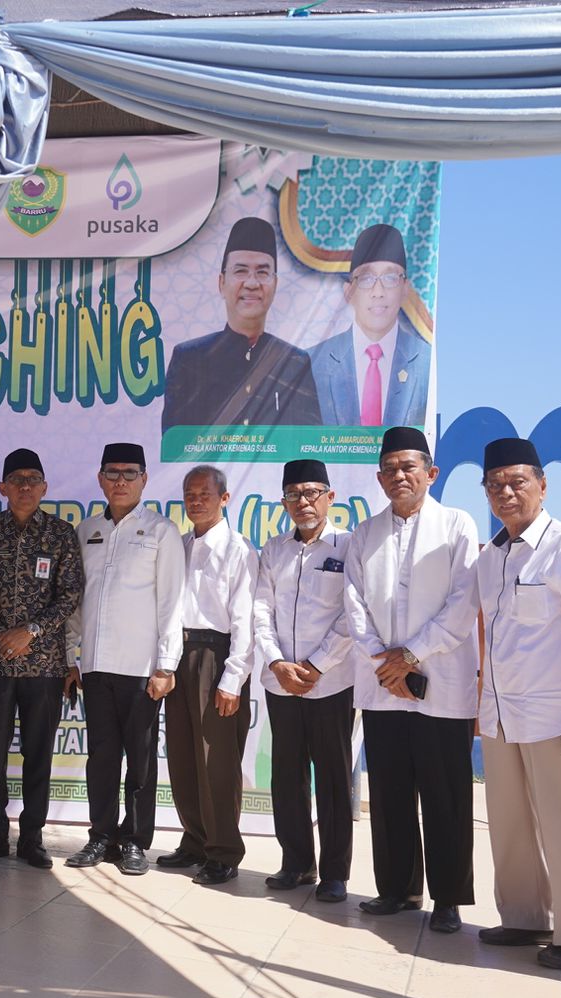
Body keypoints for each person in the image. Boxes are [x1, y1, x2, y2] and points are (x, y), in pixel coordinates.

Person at [476, 437, 561, 970]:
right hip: (501, 716)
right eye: (495, 485)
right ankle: (524, 917)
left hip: (558, 716)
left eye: (518, 482)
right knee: (507, 821)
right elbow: (490, 639)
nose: (506, 493)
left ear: (542, 485)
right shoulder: (490, 557)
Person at [343, 426, 480, 934]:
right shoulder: (365, 533)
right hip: (383, 685)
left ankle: (447, 898)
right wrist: (385, 661)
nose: (399, 475)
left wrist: (411, 655)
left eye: (409, 467)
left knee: (445, 796)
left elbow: (463, 602)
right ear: (379, 479)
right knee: (390, 794)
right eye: (390, 469)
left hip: (440, 685)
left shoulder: (457, 524)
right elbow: (354, 603)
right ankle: (397, 890)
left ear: (431, 473)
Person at [63, 443, 184, 876]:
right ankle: (100, 836)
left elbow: (172, 602)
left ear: (144, 479)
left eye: (129, 473)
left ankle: (134, 841)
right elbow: (76, 602)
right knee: (101, 756)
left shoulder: (161, 531)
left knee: (141, 759)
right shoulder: (87, 530)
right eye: (112, 473)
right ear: (100, 479)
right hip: (96, 666)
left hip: (141, 668)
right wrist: (69, 656)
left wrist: (166, 665)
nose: (120, 481)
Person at [0, 448, 84, 869]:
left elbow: (69, 595)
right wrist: (1, 634)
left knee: (38, 753)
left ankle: (32, 838)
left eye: (33, 479)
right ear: (3, 487)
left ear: (45, 488)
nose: (25, 486)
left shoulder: (61, 534)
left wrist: (29, 631)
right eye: (17, 479)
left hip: (44, 665)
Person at [251, 459, 356, 903]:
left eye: (312, 492)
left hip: (330, 682)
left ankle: (334, 872)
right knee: (287, 776)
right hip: (281, 682)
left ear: (330, 497)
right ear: (284, 503)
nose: (303, 502)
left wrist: (316, 665)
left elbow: (354, 615)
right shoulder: (274, 550)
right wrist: (277, 663)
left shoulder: (349, 547)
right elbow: (260, 610)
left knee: (332, 778)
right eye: (293, 495)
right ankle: (296, 862)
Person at [163, 464, 258, 887]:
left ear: (224, 498)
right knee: (183, 755)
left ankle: (223, 851)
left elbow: (245, 622)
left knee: (216, 760)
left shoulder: (239, 550)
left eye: (205, 494)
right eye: (190, 494)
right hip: (177, 653)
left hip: (216, 657)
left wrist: (232, 679)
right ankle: (195, 840)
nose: (196, 501)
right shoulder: (179, 546)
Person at [161, 217, 320, 431]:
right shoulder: (190, 359)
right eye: (240, 271)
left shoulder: (294, 362)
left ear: (275, 284)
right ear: (221, 283)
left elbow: (307, 440)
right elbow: (174, 442)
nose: (252, 283)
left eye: (262, 272)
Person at [307, 223, 432, 428]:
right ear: (348, 292)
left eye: (390, 278)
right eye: (366, 279)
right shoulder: (312, 362)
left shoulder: (427, 363)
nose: (378, 292)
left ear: (405, 289)